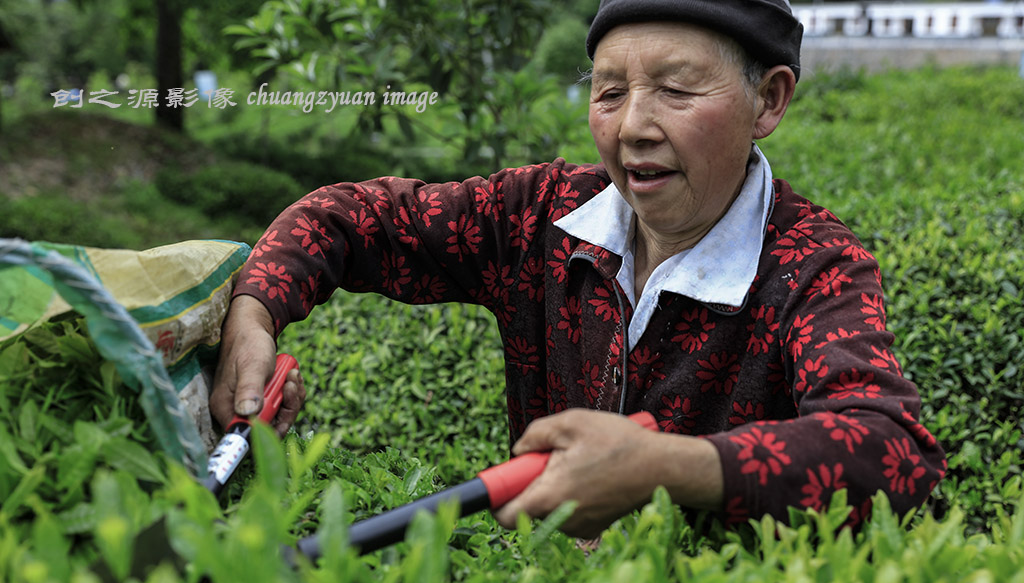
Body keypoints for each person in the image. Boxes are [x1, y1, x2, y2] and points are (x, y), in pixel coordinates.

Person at [210, 0, 945, 540]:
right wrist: (255, 310)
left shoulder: (814, 265)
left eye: (678, 89)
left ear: (769, 99)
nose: (632, 126)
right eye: (610, 90)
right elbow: (348, 217)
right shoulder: (541, 216)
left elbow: (891, 453)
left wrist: (667, 467)